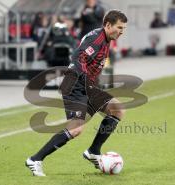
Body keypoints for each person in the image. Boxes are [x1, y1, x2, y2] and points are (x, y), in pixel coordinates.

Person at [25, 9, 128, 176]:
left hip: (88, 86)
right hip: (75, 86)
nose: (122, 32)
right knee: (75, 129)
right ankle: (35, 159)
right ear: (108, 25)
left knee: (117, 109)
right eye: (119, 27)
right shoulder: (96, 39)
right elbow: (77, 58)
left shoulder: (106, 39)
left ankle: (93, 151)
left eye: (124, 28)